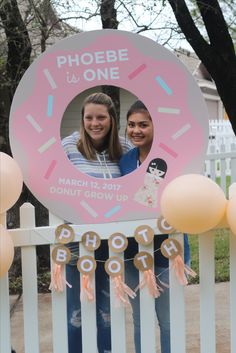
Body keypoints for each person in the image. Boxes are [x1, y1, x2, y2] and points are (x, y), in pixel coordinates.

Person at [62, 92, 132, 353]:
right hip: (75, 241)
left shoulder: (124, 148)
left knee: (107, 311)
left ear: (111, 119)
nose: (95, 123)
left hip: (110, 244)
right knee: (75, 313)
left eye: (101, 117)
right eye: (89, 117)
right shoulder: (68, 147)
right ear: (82, 119)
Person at [119, 100, 190, 353]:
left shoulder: (169, 157)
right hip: (131, 252)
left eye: (143, 125)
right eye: (131, 125)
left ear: (155, 127)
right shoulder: (125, 161)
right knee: (140, 318)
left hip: (166, 249)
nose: (136, 130)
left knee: (168, 318)